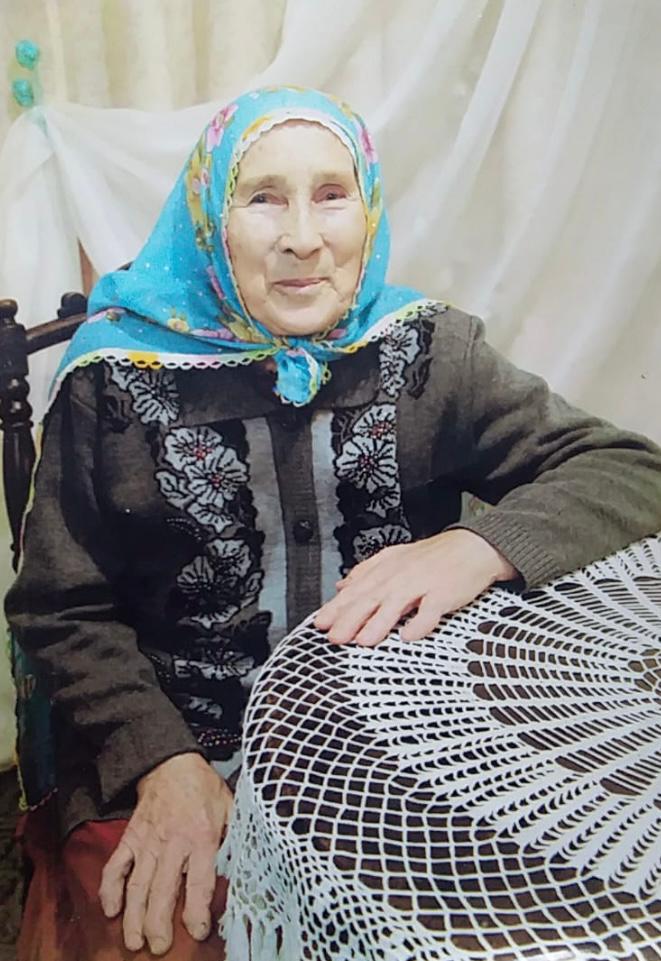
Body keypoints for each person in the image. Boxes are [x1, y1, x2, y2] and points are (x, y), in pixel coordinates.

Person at [5, 85, 661, 960]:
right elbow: (59, 606)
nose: (302, 238)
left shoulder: (428, 352)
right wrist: (161, 760)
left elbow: (626, 466)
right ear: (210, 217)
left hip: (395, 747)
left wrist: (477, 544)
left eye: (330, 194)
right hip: (178, 753)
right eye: (262, 197)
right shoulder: (112, 383)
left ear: (368, 208)